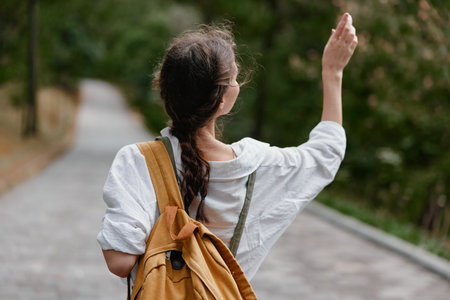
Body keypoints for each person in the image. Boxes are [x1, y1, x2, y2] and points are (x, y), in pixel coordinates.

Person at [97, 13, 358, 283]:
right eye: (234, 78)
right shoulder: (259, 166)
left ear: (164, 90)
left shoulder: (138, 161)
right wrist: (332, 73)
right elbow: (326, 154)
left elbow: (120, 261)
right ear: (222, 101)